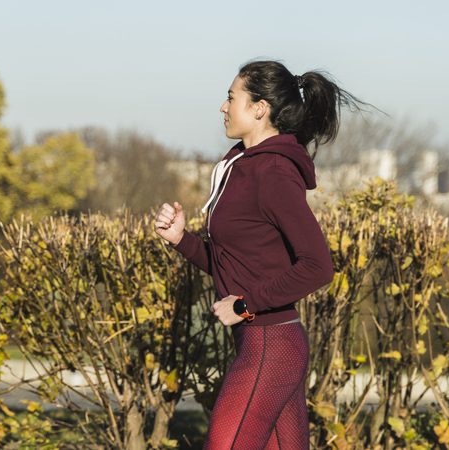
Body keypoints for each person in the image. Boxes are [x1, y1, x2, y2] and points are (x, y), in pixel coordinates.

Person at [153, 60, 368, 449]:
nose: (223, 107)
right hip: (261, 344)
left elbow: (318, 266)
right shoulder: (239, 167)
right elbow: (233, 265)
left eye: (231, 97)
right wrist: (182, 239)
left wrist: (245, 305)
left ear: (259, 108)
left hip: (272, 345)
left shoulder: (274, 173)